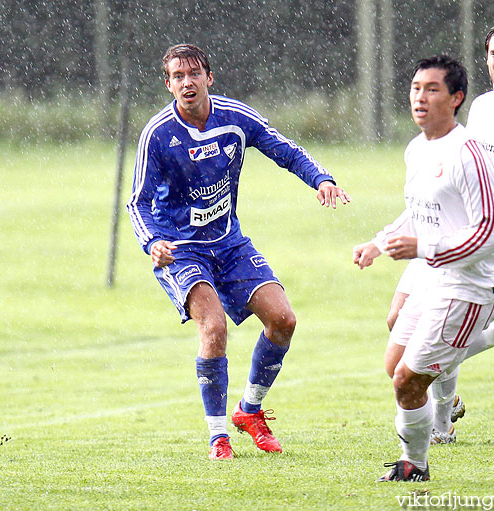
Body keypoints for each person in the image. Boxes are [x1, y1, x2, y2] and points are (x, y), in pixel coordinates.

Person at [126, 44, 350, 460]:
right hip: (181, 249)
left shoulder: (235, 117)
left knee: (283, 319)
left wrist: (320, 178)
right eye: (178, 76)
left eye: (194, 74)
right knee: (213, 328)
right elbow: (137, 203)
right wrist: (152, 242)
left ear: (209, 78)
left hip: (229, 243)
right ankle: (218, 437)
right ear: (168, 84)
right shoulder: (157, 134)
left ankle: (249, 411)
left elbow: (283, 148)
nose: (187, 82)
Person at [382, 22, 494, 444]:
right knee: (401, 324)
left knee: (431, 337)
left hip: (486, 239)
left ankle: (441, 427)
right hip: (443, 230)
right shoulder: (479, 104)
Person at [354, 54, 494, 481]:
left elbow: (490, 233)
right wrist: (378, 243)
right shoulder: (416, 148)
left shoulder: (468, 154)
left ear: (457, 97)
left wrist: (426, 247)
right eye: (415, 88)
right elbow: (417, 212)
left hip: (470, 288)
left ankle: (415, 466)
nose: (420, 97)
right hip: (433, 280)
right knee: (397, 367)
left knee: (406, 380)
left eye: (432, 89)